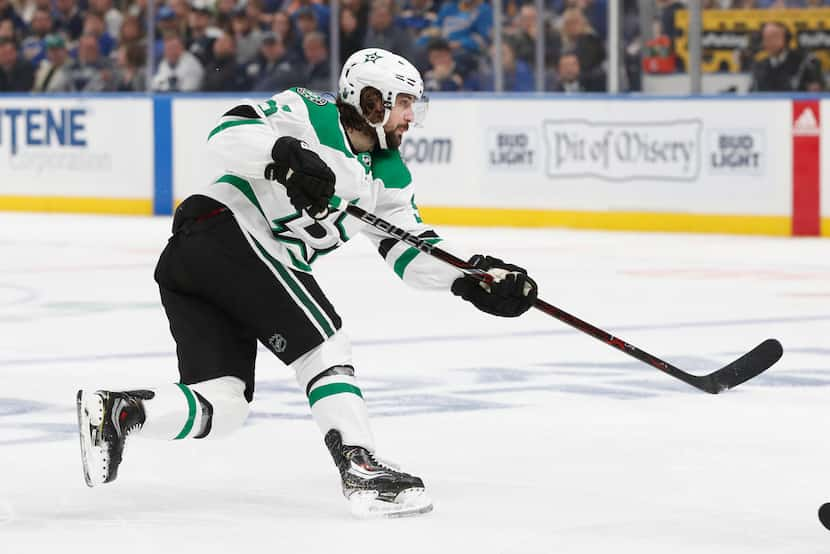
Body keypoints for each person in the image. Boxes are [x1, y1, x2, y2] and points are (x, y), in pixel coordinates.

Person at [76, 47, 538, 519]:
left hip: (205, 261)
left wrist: (473, 278)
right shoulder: (308, 112)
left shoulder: (388, 176)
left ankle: (122, 413)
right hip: (224, 228)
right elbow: (225, 133)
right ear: (372, 101)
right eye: (403, 105)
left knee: (225, 403)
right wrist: (282, 154)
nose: (409, 118)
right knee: (325, 343)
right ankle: (360, 465)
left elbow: (409, 249)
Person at [749, 21, 824, 92]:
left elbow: (818, 91)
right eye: (765, 38)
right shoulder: (760, 66)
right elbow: (752, 94)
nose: (768, 41)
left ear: (786, 38)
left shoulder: (804, 62)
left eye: (773, 37)